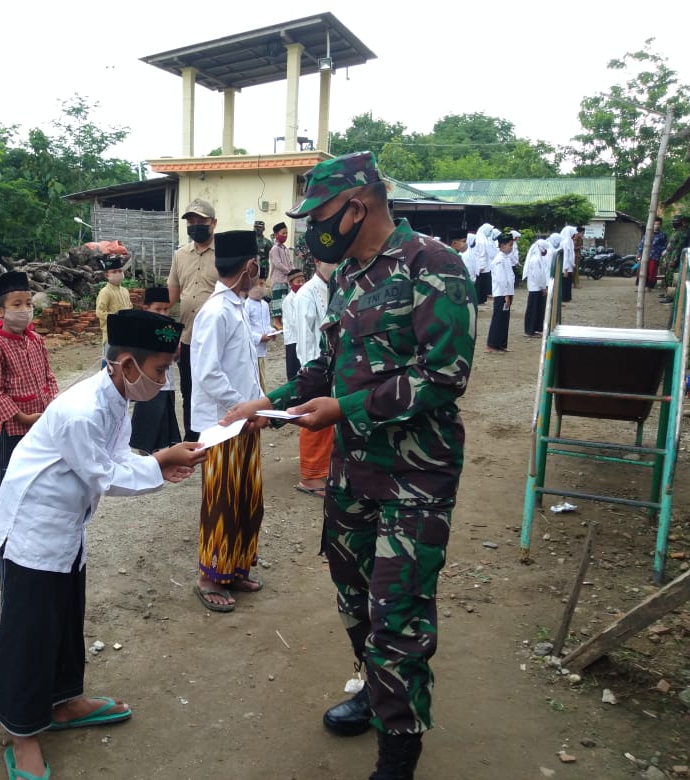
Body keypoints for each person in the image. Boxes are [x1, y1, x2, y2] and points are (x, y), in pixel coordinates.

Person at [223, 151, 477, 780]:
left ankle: (400, 744)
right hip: (352, 473)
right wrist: (270, 402)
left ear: (357, 206)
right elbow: (325, 368)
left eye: (320, 215)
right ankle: (373, 687)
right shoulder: (346, 278)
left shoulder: (434, 267)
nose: (313, 229)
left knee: (399, 612)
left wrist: (345, 408)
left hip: (416, 478)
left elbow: (445, 376)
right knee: (354, 600)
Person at [0, 309, 206, 780]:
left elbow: (118, 455)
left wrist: (156, 466)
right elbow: (103, 474)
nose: (164, 381)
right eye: (161, 369)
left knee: (64, 619)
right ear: (127, 364)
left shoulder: (116, 397)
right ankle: (22, 734)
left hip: (65, 528)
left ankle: (64, 701)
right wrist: (161, 461)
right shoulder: (82, 408)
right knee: (30, 633)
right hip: (32, 531)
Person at [190, 230, 267, 613]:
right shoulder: (215, 311)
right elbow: (208, 373)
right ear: (250, 266)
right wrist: (244, 407)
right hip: (223, 425)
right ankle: (209, 577)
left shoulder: (235, 306)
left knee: (244, 498)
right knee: (221, 500)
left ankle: (235, 567)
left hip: (244, 421)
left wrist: (253, 408)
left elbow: (242, 367)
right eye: (257, 266)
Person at [0, 271, 58, 505]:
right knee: (7, 471)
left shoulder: (36, 340)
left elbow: (49, 376)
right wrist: (22, 417)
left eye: (28, 303)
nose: (25, 309)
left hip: (41, 420)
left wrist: (54, 402)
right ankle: (2, 517)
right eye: (17, 304)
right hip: (13, 427)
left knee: (38, 468)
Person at [168, 199, 218, 442]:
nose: (195, 226)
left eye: (201, 221)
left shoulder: (224, 254)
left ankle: (216, 432)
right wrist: (170, 336)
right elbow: (172, 297)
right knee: (188, 388)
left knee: (213, 385)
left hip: (215, 337)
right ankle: (192, 434)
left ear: (213, 223)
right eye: (191, 221)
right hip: (188, 336)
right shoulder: (180, 255)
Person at [293, 254, 338, 497]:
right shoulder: (307, 293)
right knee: (314, 420)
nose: (337, 266)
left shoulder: (337, 287)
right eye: (332, 261)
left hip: (333, 363)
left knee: (329, 421)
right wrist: (312, 370)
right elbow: (305, 337)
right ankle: (310, 477)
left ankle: (323, 470)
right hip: (316, 365)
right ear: (319, 263)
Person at [129, 287, 182, 455]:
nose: (163, 313)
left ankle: (155, 465)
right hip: (147, 387)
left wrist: (176, 348)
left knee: (161, 432)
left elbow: (175, 356)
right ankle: (145, 463)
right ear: (146, 308)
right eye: (158, 309)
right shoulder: (140, 329)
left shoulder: (172, 328)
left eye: (166, 309)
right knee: (147, 434)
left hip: (167, 386)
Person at [95, 254, 132, 365]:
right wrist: (115, 318)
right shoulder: (105, 292)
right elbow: (100, 312)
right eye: (114, 272)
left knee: (123, 363)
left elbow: (130, 308)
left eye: (120, 271)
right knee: (108, 364)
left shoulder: (125, 291)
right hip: (111, 335)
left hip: (126, 333)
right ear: (107, 275)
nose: (118, 274)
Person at [486, 233, 516, 354]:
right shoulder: (499, 260)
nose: (511, 247)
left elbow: (510, 277)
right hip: (501, 294)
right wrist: (506, 295)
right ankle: (492, 345)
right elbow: (501, 279)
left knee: (504, 319)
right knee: (498, 319)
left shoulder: (506, 258)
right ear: (502, 245)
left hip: (507, 292)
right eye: (510, 245)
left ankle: (501, 344)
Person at [245, 279, 275, 392]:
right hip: (252, 349)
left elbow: (266, 324)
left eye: (261, 284)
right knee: (254, 380)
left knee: (262, 378)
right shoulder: (246, 305)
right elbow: (246, 330)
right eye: (255, 285)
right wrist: (259, 337)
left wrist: (272, 332)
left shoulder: (265, 305)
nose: (259, 288)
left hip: (262, 351)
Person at [521, 238, 551, 337]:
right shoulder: (535, 259)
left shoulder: (538, 258)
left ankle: (535, 329)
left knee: (537, 309)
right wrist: (543, 287)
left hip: (538, 287)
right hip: (535, 287)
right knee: (532, 309)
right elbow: (537, 275)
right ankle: (529, 330)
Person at [659, 214, 690, 302]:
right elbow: (670, 246)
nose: (673, 223)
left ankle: (671, 296)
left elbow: (679, 248)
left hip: (675, 258)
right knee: (668, 276)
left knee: (672, 277)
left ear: (681, 223)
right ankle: (668, 293)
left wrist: (674, 260)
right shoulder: (676, 232)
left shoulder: (683, 233)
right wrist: (665, 258)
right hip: (670, 257)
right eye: (673, 222)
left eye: (675, 222)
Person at [281, 267, 305, 381]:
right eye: (298, 282)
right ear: (291, 284)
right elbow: (293, 322)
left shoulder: (305, 296)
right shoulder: (288, 300)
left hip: (303, 337)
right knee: (293, 370)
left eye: (302, 281)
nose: (301, 284)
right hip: (293, 339)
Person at [268, 221, 294, 324]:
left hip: (286, 280)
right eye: (283, 233)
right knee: (277, 300)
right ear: (276, 235)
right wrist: (289, 272)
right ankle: (276, 321)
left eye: (286, 233)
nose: (285, 235)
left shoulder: (285, 249)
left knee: (284, 300)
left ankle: (282, 321)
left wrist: (294, 271)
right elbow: (278, 264)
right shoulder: (274, 249)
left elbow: (290, 262)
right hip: (278, 279)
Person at [637, 217, 667, 290]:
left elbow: (664, 246)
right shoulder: (648, 233)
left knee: (652, 271)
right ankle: (641, 286)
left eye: (658, 224)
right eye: (655, 224)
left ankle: (649, 287)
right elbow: (642, 244)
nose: (657, 225)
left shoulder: (663, 235)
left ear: (661, 225)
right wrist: (639, 253)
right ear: (652, 224)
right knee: (643, 270)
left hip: (655, 256)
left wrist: (663, 254)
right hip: (645, 255)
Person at [472, 222, 495, 304]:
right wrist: (482, 266)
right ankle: (479, 299)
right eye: (490, 231)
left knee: (483, 283)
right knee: (480, 284)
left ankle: (482, 299)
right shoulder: (481, 241)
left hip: (485, 265)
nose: (490, 233)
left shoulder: (484, 239)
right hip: (481, 265)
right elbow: (481, 255)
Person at [559, 224, 577, 302]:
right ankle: (564, 297)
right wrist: (565, 269)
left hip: (569, 266)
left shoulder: (570, 241)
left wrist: (572, 264)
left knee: (568, 282)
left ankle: (567, 297)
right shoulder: (566, 242)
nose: (575, 235)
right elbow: (566, 256)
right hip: (566, 267)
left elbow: (571, 255)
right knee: (565, 283)